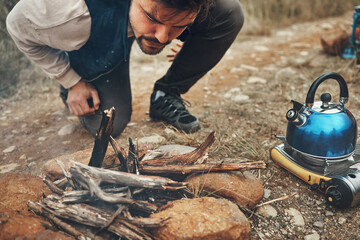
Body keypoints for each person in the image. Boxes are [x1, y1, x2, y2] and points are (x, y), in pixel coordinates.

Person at [6, 0, 244, 137]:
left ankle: (165, 94)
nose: (163, 38)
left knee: (229, 13)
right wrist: (71, 80)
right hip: (97, 33)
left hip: (129, 17)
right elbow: (15, 26)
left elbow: (183, 20)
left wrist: (190, 36)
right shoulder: (70, 14)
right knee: (109, 123)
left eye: (179, 25)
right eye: (154, 18)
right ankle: (81, 75)